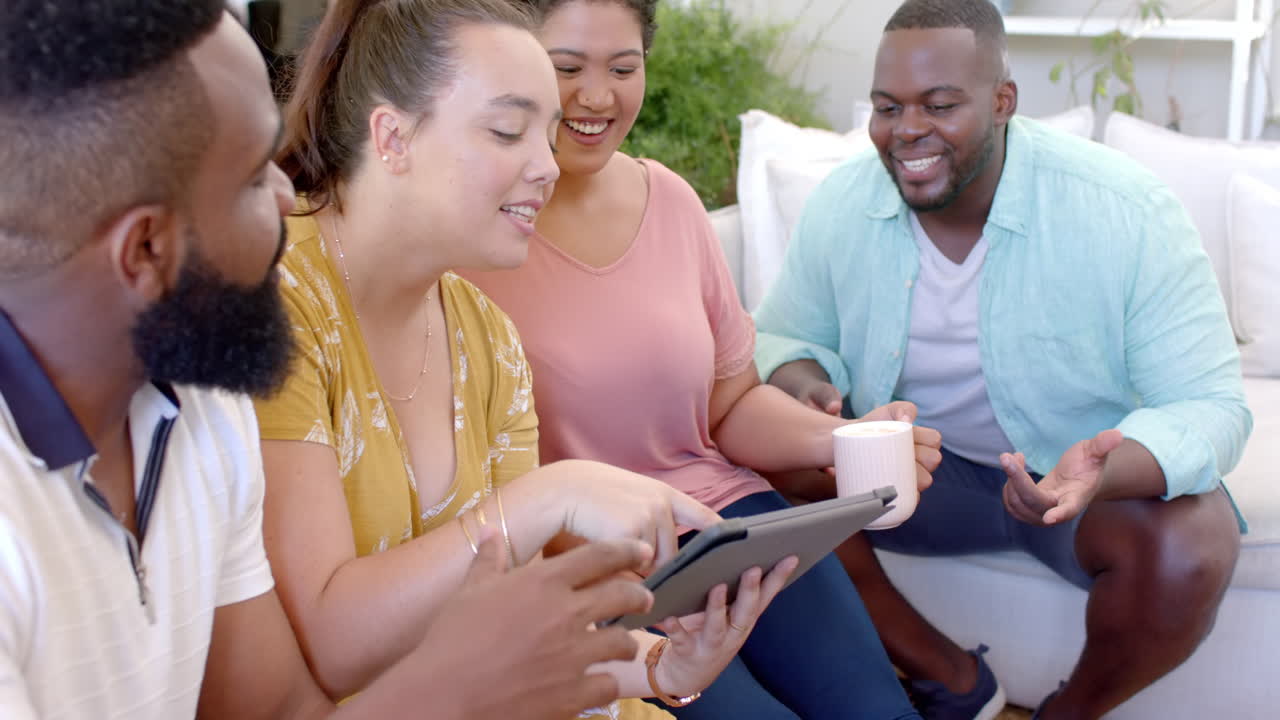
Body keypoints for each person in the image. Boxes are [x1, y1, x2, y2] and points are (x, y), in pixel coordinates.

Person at [0, 2, 704, 718]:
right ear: (145, 248)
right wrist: (456, 687)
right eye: (251, 180)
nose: (288, 196)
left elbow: (286, 712)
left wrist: (656, 663)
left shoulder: (204, 418)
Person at [253, 1, 797, 717]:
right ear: (392, 137)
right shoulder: (280, 308)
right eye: (508, 131)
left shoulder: (489, 339)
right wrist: (547, 497)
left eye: (545, 135)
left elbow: (526, 624)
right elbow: (335, 640)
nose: (547, 166)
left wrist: (669, 665)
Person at [753, 1, 1252, 719]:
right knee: (755, 459)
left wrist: (1100, 470)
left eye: (940, 104)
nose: (907, 131)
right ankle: (949, 676)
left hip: (1073, 482)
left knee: (1194, 543)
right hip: (923, 476)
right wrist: (808, 390)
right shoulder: (844, 202)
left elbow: (1212, 407)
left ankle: (1069, 712)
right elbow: (783, 337)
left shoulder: (1126, 210)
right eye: (888, 107)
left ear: (1002, 101)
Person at [462, 1, 939, 718]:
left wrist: (841, 441)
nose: (598, 96)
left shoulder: (673, 203)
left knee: (877, 710)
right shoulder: (475, 238)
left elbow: (730, 404)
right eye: (567, 68)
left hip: (730, 525)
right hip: (597, 560)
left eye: (624, 68)